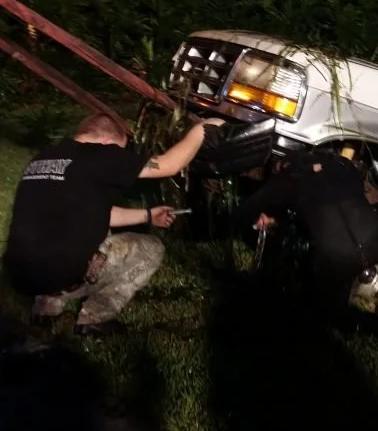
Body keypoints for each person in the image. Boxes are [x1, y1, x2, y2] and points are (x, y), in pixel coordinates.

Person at [2, 112, 225, 336]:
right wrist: (202, 130)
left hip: (19, 275)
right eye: (120, 148)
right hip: (63, 275)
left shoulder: (45, 158)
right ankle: (94, 318)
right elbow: (169, 165)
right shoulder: (102, 154)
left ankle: (46, 308)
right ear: (108, 142)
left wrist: (148, 215)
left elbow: (92, 213)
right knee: (152, 248)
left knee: (61, 230)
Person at [233, 150, 378, 327]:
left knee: (324, 311)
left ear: (281, 166)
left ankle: (365, 323)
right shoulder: (342, 165)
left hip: (336, 257)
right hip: (374, 237)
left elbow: (245, 213)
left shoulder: (286, 181)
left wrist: (267, 214)